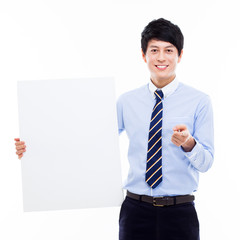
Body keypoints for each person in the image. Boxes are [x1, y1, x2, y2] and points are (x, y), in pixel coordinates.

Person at [15, 18, 214, 240]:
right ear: (143, 55)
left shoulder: (199, 101)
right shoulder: (126, 102)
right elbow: (90, 141)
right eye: (154, 50)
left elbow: (206, 162)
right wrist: (36, 148)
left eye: (168, 50)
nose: (161, 57)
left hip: (180, 212)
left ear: (180, 55)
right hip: (136, 211)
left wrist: (189, 143)